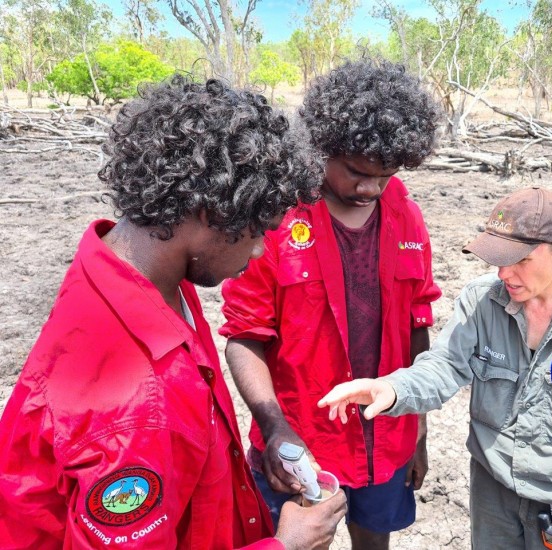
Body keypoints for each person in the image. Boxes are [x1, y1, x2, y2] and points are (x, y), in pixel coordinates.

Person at [0, 76, 346, 549]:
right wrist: (285, 546)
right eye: (260, 229)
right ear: (210, 212)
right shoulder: (134, 408)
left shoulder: (135, 274)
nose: (264, 250)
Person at [319, 186, 552, 550]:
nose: (504, 273)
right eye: (498, 259)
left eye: (520, 260)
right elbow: (445, 365)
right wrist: (393, 388)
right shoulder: (481, 300)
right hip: (494, 494)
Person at [219, 59, 442, 550]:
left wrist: (419, 432)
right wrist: (274, 427)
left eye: (385, 175)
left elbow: (416, 329)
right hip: (299, 447)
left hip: (388, 441)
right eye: (358, 173)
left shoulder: (406, 216)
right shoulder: (277, 217)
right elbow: (244, 336)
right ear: (320, 147)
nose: (371, 189)